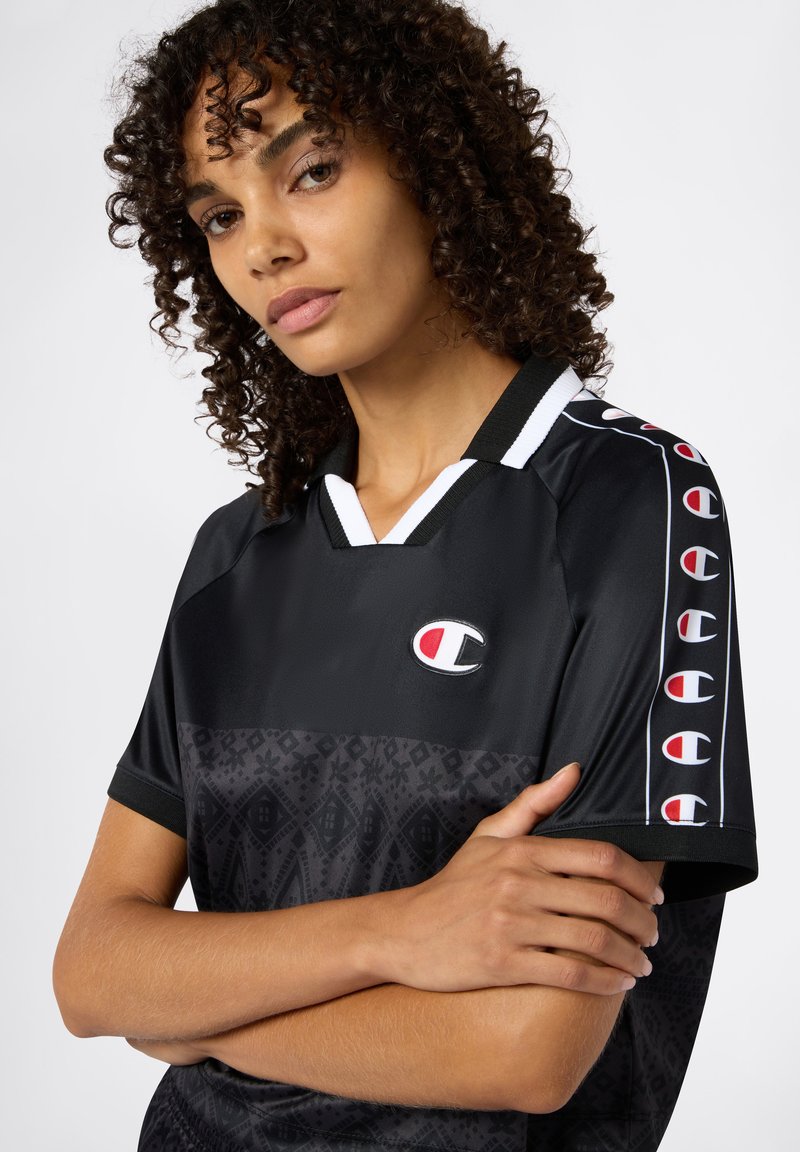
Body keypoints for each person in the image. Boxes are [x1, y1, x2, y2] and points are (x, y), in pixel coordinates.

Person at [52, 1, 757, 1149]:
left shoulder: (629, 498)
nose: (261, 246)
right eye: (220, 214)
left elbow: (522, 1052)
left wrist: (190, 1014)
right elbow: (92, 973)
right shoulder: (237, 553)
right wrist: (401, 930)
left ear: (435, 161)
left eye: (312, 171)